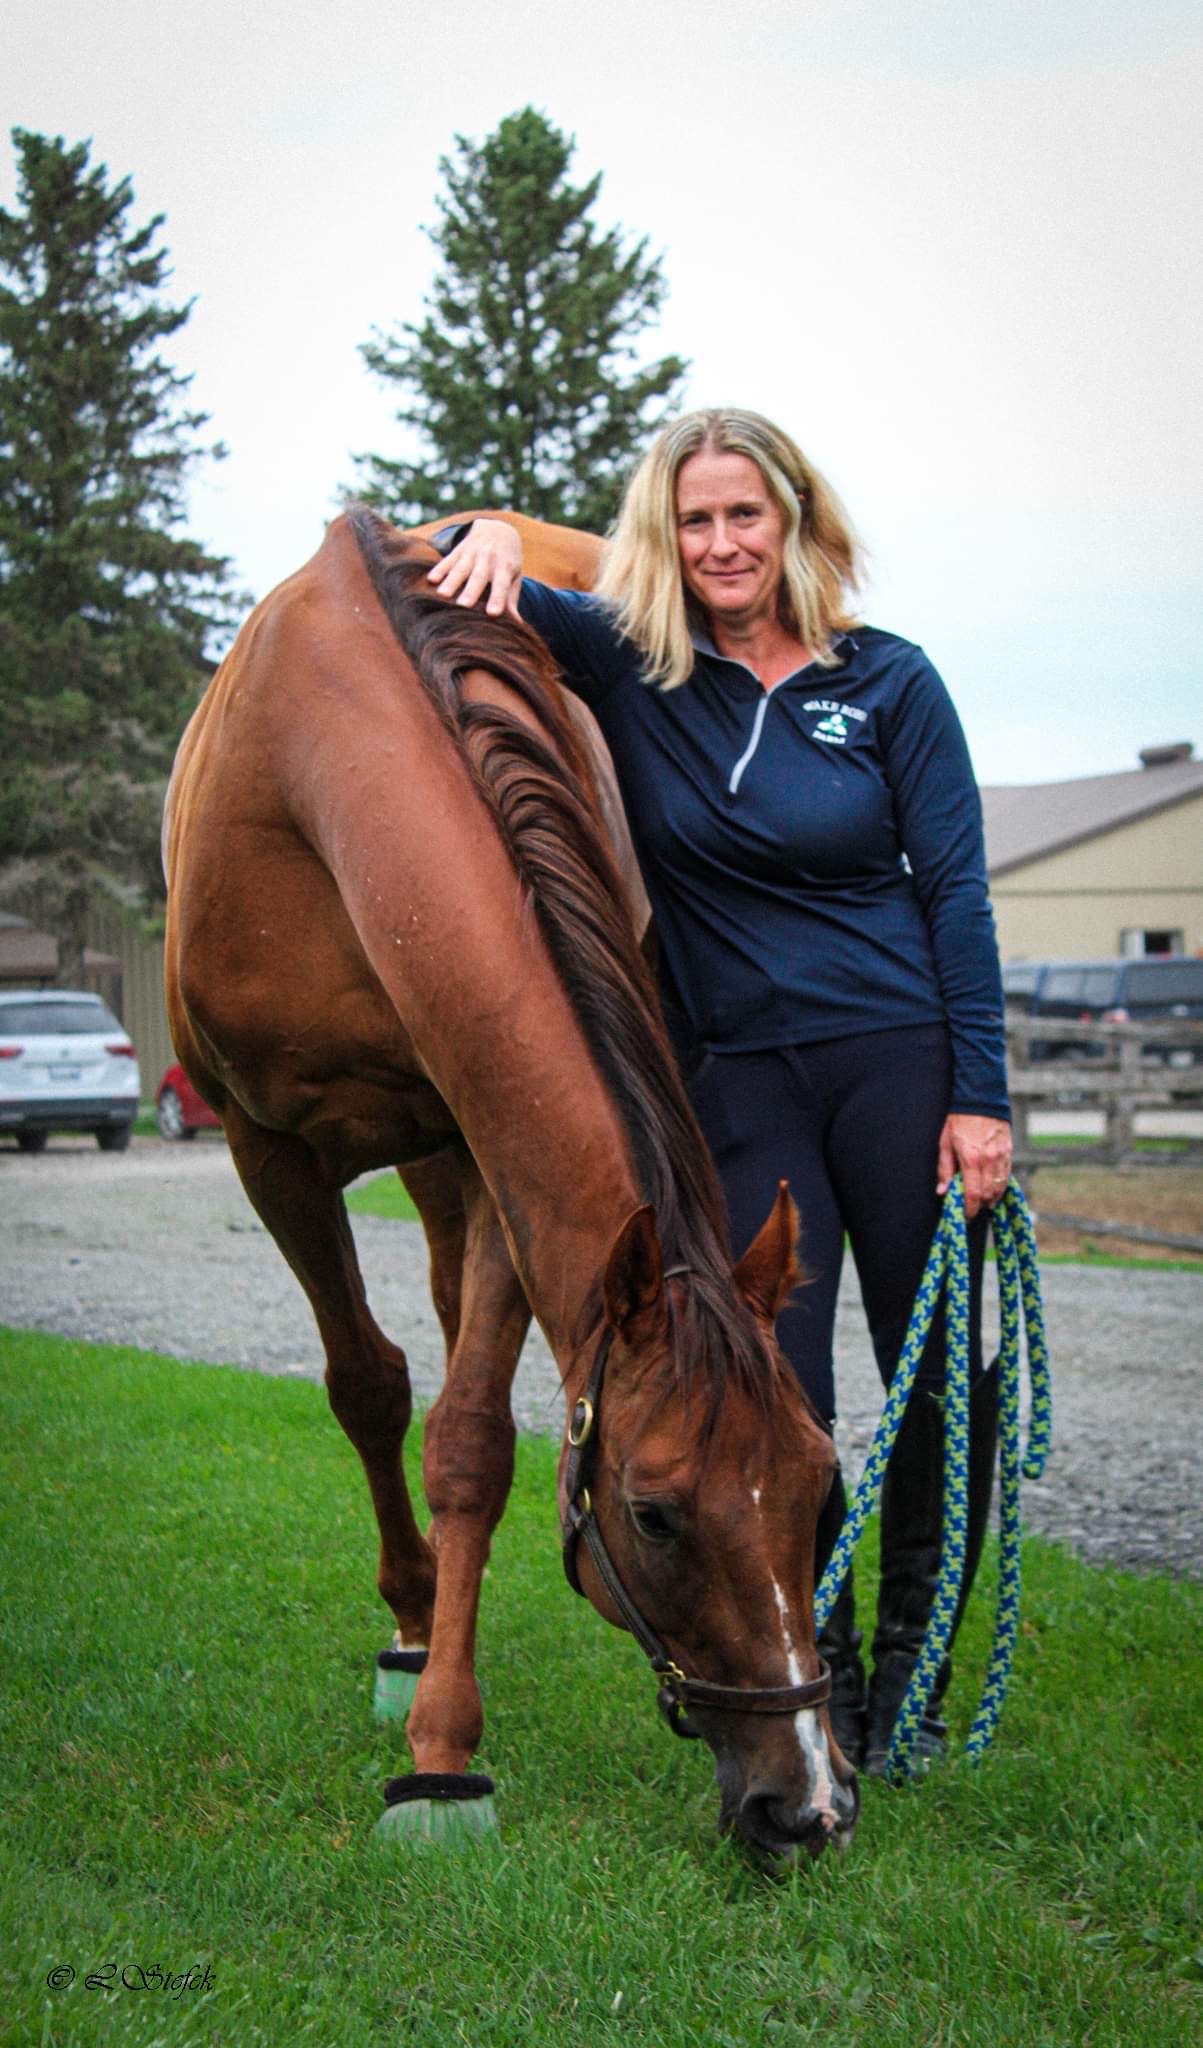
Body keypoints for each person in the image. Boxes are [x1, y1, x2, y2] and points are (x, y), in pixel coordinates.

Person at [427, 408, 1012, 1776]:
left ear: (795, 523)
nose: (723, 543)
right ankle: (832, 1687)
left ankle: (915, 1684)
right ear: (664, 538)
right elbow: (466, 559)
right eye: (695, 521)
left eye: (746, 515)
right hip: (739, 1087)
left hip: (896, 1057)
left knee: (926, 1385)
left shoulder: (891, 684)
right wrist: (500, 530)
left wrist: (977, 1095)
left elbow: (962, 895)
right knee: (775, 1403)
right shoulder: (637, 671)